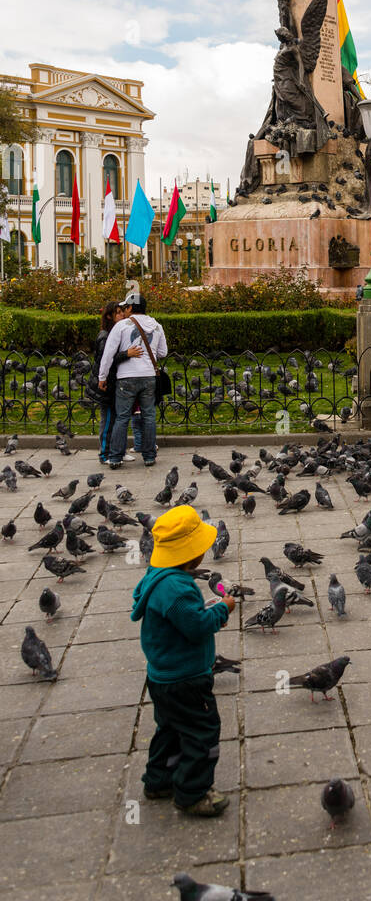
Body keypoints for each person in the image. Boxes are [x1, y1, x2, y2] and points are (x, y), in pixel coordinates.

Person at [131, 506, 235, 817]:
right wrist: (222, 609)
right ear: (192, 554)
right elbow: (196, 627)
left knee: (170, 728)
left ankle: (159, 780)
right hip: (186, 679)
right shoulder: (177, 589)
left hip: (162, 677)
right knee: (202, 732)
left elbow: (179, 618)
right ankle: (193, 793)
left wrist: (200, 610)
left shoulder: (158, 577)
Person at [99, 290, 167, 470]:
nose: (124, 310)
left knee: (122, 417)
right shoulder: (157, 326)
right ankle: (149, 456)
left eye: (125, 307)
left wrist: (102, 377)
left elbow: (108, 354)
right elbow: (163, 353)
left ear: (131, 307)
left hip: (126, 377)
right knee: (149, 417)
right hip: (148, 376)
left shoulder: (121, 326)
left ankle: (115, 458)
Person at [87, 301, 141, 464]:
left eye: (122, 311)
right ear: (109, 316)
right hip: (107, 385)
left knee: (120, 418)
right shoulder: (105, 336)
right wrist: (127, 354)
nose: (122, 315)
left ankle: (119, 449)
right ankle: (105, 454)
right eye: (118, 312)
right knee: (109, 419)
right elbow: (107, 359)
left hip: (116, 383)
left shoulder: (116, 333)